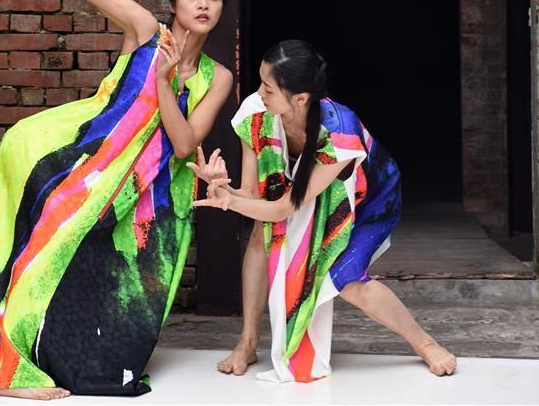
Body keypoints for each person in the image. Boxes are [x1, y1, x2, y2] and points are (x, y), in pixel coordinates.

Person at [0, 0, 233, 400]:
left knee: (121, 293)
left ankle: (68, 358)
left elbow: (185, 143)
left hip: (152, 195)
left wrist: (166, 83)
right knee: (50, 253)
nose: (203, 5)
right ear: (174, 2)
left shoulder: (218, 77)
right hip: (93, 169)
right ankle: (12, 371)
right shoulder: (146, 30)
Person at [192, 39, 457, 383]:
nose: (259, 93)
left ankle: (425, 344)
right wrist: (222, 188)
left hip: (367, 201)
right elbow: (253, 196)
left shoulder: (340, 133)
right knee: (261, 235)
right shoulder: (256, 114)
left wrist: (229, 201)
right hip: (301, 195)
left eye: (268, 88)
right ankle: (247, 343)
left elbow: (284, 207)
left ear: (300, 99)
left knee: (346, 279)